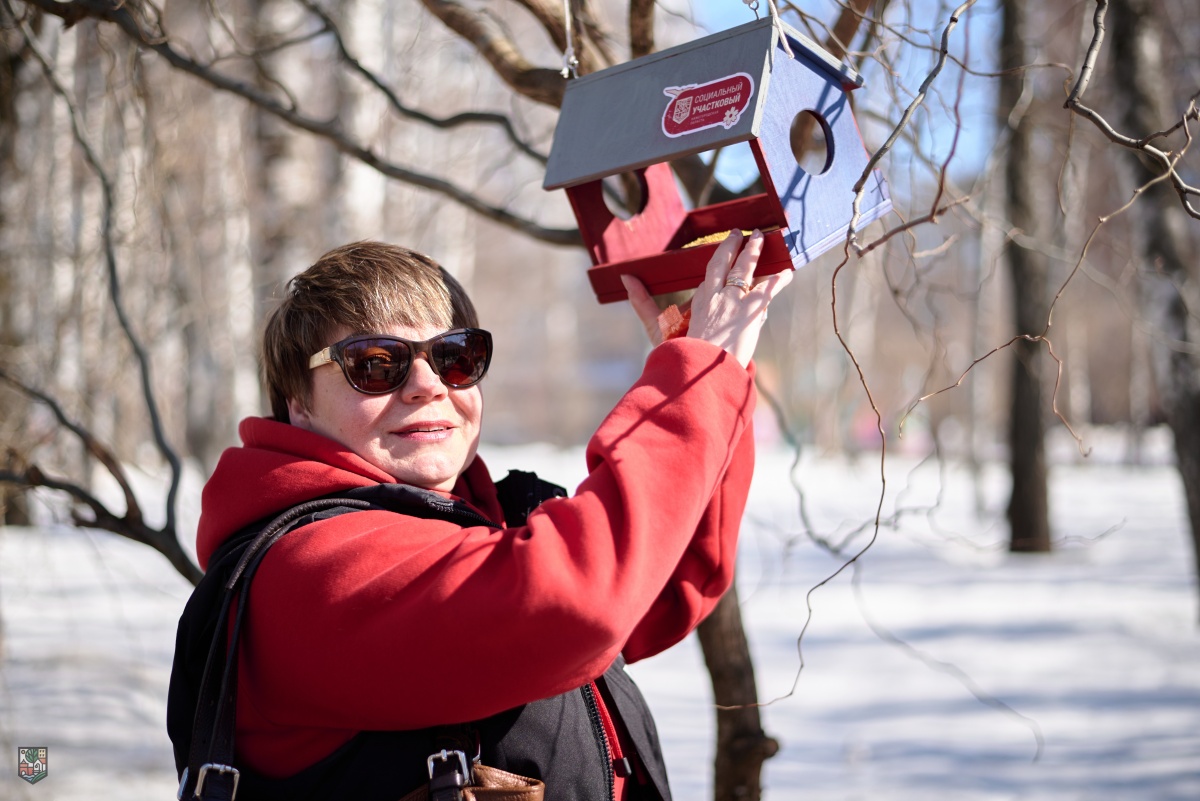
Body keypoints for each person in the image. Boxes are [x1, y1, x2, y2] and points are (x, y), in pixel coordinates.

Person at [168, 234, 791, 801]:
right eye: (375, 364)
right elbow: (582, 603)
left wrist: (717, 380)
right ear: (297, 401)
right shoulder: (308, 571)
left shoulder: (473, 523)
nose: (426, 385)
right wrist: (693, 385)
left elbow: (662, 590)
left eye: (454, 357)